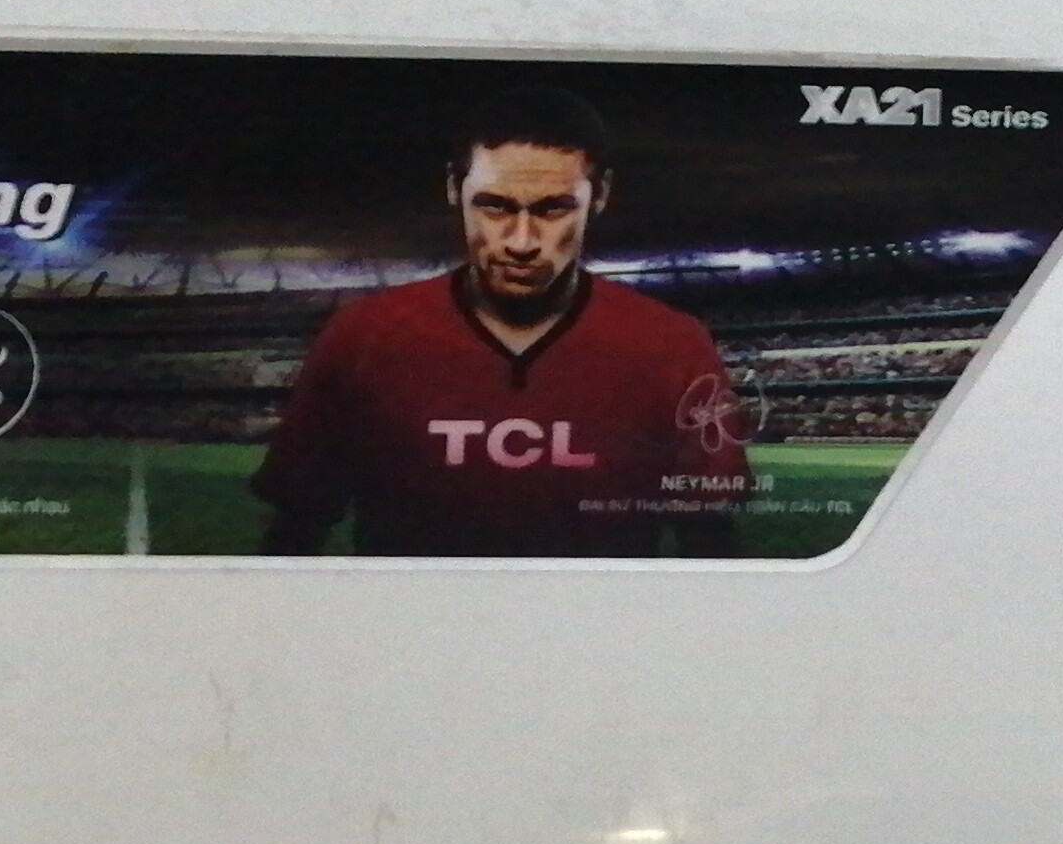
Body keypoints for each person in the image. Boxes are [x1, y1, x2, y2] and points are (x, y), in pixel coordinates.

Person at [254, 82, 749, 555]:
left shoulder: (672, 345)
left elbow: (711, 546)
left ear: (600, 195)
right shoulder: (362, 337)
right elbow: (293, 536)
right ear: (454, 187)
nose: (521, 242)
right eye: (494, 206)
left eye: (553, 209)